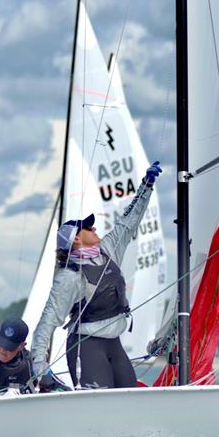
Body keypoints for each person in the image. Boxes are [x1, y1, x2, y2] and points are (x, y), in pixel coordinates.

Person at [30, 161, 162, 389]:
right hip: (86, 347)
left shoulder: (108, 249)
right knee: (101, 406)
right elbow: (48, 320)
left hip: (114, 344)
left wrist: (146, 186)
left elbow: (128, 223)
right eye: (88, 228)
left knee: (132, 399)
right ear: (76, 240)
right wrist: (39, 365)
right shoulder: (69, 276)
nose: (95, 229)